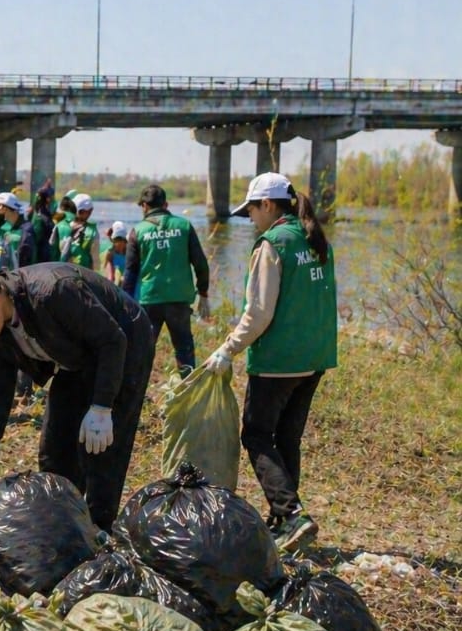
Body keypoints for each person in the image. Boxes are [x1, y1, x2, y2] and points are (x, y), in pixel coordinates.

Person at [0, 262, 156, 531]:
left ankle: (98, 530)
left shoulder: (53, 291)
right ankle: (61, 520)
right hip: (75, 356)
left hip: (124, 344)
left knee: (103, 449)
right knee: (55, 446)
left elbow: (112, 340)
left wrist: (102, 407)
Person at [205, 172, 335, 552]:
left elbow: (259, 312)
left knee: (257, 434)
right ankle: (285, 520)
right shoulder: (314, 238)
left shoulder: (273, 244)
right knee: (287, 437)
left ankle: (291, 513)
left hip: (279, 360)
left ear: (267, 204)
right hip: (315, 357)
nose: (250, 218)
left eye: (251, 210)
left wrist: (228, 348)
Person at [123, 184, 211, 374]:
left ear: (144, 206)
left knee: (143, 350)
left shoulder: (137, 231)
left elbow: (130, 273)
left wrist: (124, 304)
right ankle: (187, 388)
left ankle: (136, 388)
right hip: (179, 300)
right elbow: (201, 264)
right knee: (184, 349)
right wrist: (203, 292)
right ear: (166, 204)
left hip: (149, 300)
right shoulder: (184, 226)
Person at [51, 191, 99, 269]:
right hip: (83, 272)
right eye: (90, 210)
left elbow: (52, 249)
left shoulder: (60, 225)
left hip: (61, 270)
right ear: (87, 211)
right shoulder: (92, 231)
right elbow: (95, 259)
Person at [18, 181, 56, 266]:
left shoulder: (41, 215)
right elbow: (36, 241)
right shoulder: (40, 218)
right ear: (48, 199)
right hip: (42, 259)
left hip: (43, 258)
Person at [103, 221, 129, 287]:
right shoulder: (110, 253)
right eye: (116, 240)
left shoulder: (131, 253)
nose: (119, 243)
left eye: (122, 240)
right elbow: (108, 276)